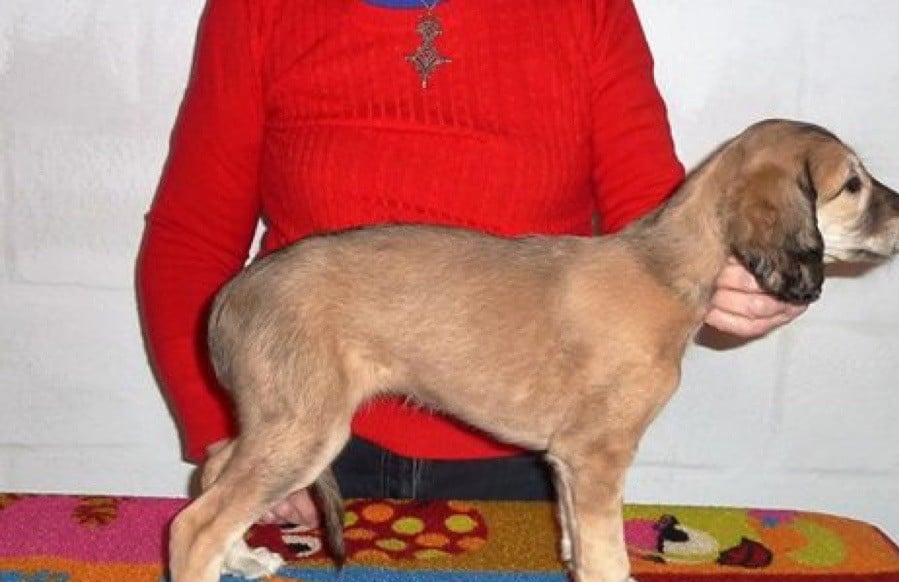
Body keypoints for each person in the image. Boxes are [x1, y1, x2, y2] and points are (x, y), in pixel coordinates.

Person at [137, 0, 804, 528]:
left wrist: (727, 281)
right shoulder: (259, 9)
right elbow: (192, 239)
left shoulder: (586, 10)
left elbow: (655, 230)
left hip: (529, 455)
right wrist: (229, 433)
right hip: (314, 456)